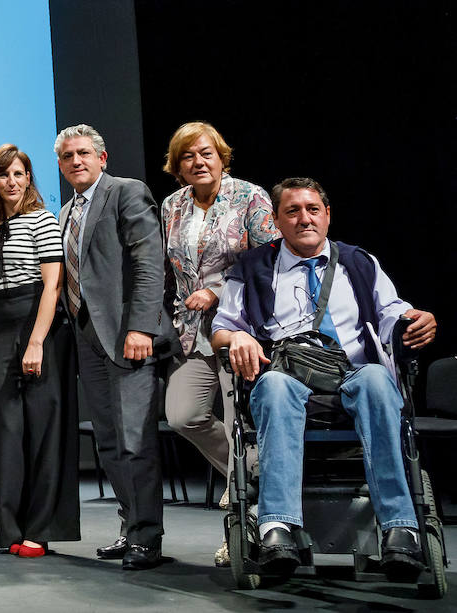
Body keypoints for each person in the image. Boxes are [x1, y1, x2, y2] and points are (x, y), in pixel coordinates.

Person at [213, 177, 437, 581]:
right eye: (293, 211)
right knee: (275, 386)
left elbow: (392, 313)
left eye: (313, 209)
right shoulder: (252, 267)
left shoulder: (359, 262)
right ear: (276, 220)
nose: (304, 218)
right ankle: (276, 526)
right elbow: (222, 327)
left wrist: (415, 320)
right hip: (286, 374)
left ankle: (400, 529)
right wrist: (239, 335)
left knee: (375, 381)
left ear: (327, 215)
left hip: (352, 374)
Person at [54, 124, 174, 570]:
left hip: (128, 337)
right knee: (107, 441)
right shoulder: (66, 212)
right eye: (68, 156)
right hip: (88, 337)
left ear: (102, 158)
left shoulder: (126, 192)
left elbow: (149, 261)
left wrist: (142, 326)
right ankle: (130, 525)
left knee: (134, 439)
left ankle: (147, 535)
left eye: (84, 153)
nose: (76, 161)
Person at [159, 121, 278, 566]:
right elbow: (171, 270)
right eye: (188, 156)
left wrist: (218, 289)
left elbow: (270, 262)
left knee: (238, 427)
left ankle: (243, 534)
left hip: (242, 328)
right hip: (192, 331)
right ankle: (248, 476)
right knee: (183, 414)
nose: (198, 162)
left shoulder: (250, 196)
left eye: (206, 153)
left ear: (221, 156)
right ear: (178, 166)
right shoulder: (172, 205)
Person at [0, 146, 80, 556]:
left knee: (43, 430)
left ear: (29, 178)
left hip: (38, 326)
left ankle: (40, 529)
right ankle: (12, 530)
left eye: (19, 173)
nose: (12, 181)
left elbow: (53, 286)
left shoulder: (42, 220)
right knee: (8, 433)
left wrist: (36, 340)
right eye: (4, 175)